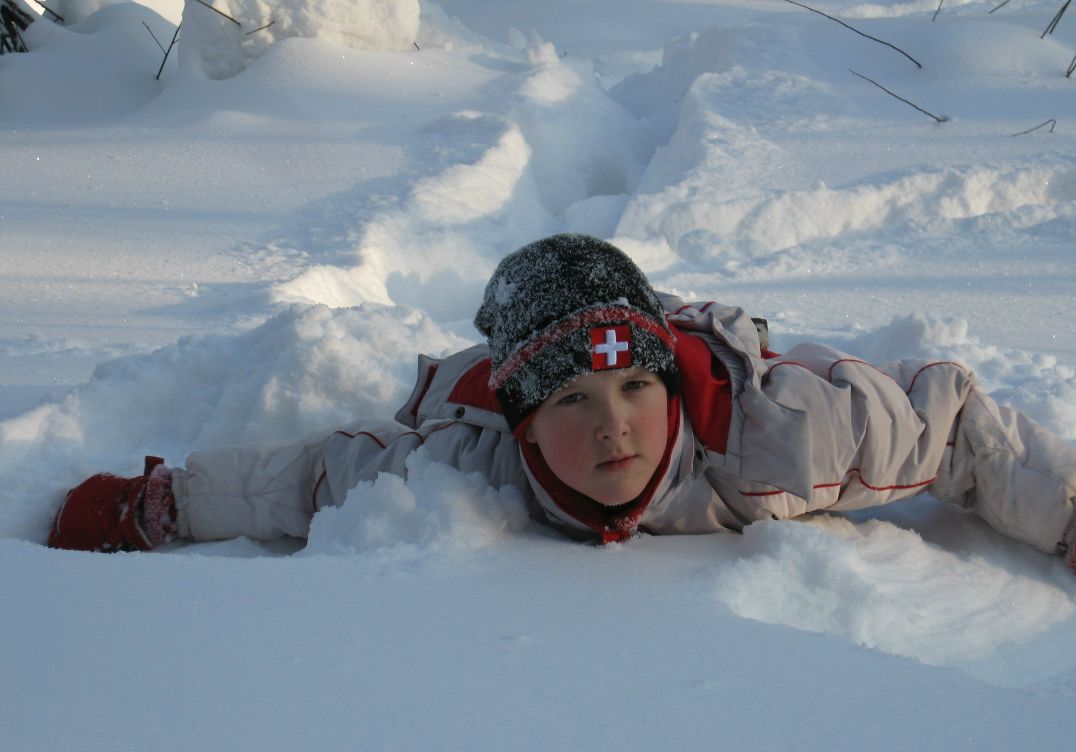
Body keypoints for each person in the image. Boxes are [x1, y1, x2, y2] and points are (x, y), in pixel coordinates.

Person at [47, 234, 1076, 570]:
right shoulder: (471, 455)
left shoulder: (780, 438)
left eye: (634, 388)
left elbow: (950, 423)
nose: (614, 422)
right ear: (522, 421)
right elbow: (317, 476)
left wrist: (1063, 512)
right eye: (572, 401)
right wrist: (164, 504)